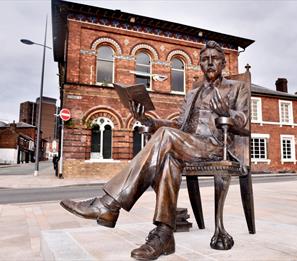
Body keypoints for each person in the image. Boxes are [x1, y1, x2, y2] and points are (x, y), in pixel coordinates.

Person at [60, 40, 249, 260]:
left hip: (215, 145)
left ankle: (108, 204)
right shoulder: (192, 93)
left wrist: (227, 112)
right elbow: (178, 125)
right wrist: (148, 121)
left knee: (167, 139)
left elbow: (244, 123)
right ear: (199, 64)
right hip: (187, 143)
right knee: (168, 157)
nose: (209, 63)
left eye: (214, 59)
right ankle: (164, 234)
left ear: (223, 62)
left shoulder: (236, 88)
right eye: (205, 59)